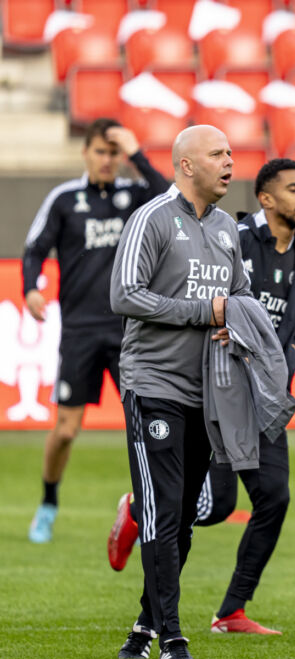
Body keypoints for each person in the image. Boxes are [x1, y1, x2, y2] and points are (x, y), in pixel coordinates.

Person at [107, 158, 295, 634]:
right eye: (294, 189)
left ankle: (231, 609)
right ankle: (139, 510)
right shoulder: (232, 234)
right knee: (213, 506)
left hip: (264, 392)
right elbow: (183, 291)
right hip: (220, 387)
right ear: (266, 199)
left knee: (274, 496)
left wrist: (288, 352)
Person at [109, 125, 250, 659]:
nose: (229, 162)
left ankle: (145, 625)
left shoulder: (226, 230)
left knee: (185, 515)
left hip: (206, 393)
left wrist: (232, 322)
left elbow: (235, 296)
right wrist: (201, 313)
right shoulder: (152, 218)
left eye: (231, 153)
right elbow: (124, 295)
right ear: (186, 165)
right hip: (154, 386)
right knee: (164, 511)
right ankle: (172, 638)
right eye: (218, 154)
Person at [23, 118, 170, 543]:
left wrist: (137, 153)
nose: (108, 160)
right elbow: (35, 248)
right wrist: (31, 288)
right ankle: (49, 502)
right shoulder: (65, 199)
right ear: (86, 153)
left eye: (114, 152)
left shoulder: (136, 195)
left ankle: (151, 507)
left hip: (131, 331)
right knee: (66, 430)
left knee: (144, 421)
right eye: (101, 151)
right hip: (81, 330)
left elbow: (171, 197)